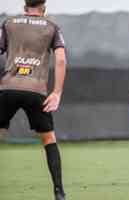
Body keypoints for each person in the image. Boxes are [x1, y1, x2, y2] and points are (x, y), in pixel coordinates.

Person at [0, 0, 66, 199]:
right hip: (36, 91)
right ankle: (59, 192)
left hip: (8, 88)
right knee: (48, 139)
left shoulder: (8, 23)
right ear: (44, 5)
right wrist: (57, 92)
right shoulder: (52, 27)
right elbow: (61, 59)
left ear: (24, 5)